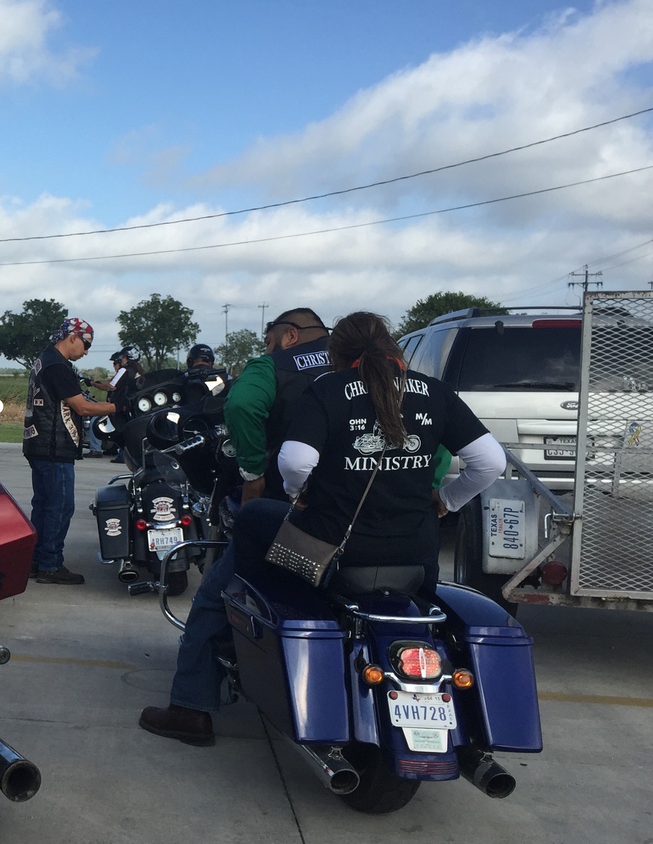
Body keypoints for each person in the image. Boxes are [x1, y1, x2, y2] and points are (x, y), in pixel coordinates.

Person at [140, 307, 329, 745]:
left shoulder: (273, 367)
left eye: (268, 337)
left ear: (288, 336)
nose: (265, 345)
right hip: (359, 519)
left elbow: (242, 405)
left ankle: (191, 707)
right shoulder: (358, 368)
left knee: (215, 596)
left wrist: (252, 472)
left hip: (285, 513)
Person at [230, 311, 504, 605]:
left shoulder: (326, 389)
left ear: (336, 353)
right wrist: (447, 499)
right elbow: (491, 462)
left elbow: (295, 462)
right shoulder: (435, 391)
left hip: (336, 547)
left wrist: (297, 492)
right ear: (391, 346)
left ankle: (253, 608)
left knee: (252, 514)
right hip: (416, 552)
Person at [22, 318, 116, 584]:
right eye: (86, 345)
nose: (86, 352)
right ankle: (51, 565)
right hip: (54, 447)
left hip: (38, 444)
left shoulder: (45, 359)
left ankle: (36, 560)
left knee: (43, 505)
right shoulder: (58, 366)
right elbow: (82, 407)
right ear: (73, 337)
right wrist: (118, 407)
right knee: (60, 507)